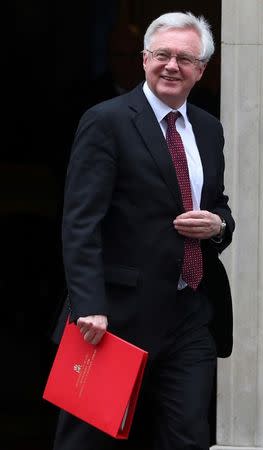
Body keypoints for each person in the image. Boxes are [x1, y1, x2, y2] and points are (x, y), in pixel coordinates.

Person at [52, 11, 235, 450]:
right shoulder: (107, 120)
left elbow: (218, 204)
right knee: (89, 441)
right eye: (163, 55)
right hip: (114, 318)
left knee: (188, 438)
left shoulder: (208, 129)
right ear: (144, 59)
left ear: (201, 70)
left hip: (189, 312)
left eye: (185, 59)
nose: (172, 65)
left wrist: (219, 225)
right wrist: (88, 306)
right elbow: (81, 222)